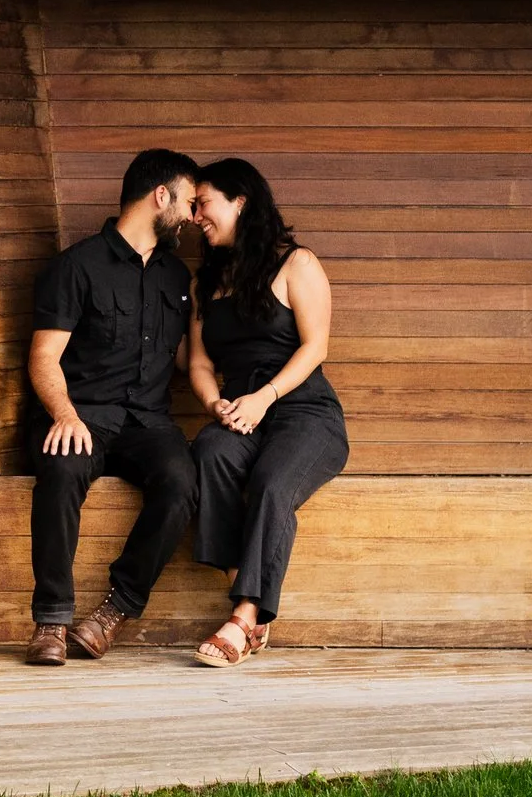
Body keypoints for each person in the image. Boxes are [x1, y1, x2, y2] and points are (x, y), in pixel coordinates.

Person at [21, 148, 204, 666]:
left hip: (148, 422)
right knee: (60, 467)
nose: (193, 217)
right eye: (189, 202)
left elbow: (190, 359)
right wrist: (64, 414)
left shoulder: (176, 277)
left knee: (183, 481)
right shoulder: (76, 267)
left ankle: (113, 612)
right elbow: (43, 356)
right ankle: (51, 621)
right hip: (83, 414)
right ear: (160, 196)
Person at [184, 157, 348, 666]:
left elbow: (315, 346)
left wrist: (264, 397)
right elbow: (199, 360)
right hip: (239, 410)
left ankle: (243, 617)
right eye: (191, 207)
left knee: (273, 484)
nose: (195, 216)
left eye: (203, 203)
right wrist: (215, 403)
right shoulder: (205, 282)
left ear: (241, 202)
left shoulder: (297, 264)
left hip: (304, 410)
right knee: (209, 451)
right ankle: (246, 594)